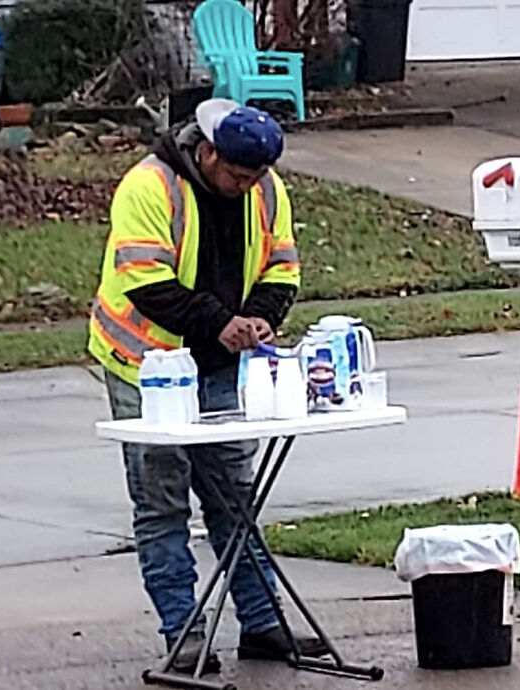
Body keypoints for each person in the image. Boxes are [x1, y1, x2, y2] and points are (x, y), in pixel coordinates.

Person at [88, 99, 324, 675]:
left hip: (219, 361)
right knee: (162, 502)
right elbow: (146, 284)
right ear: (208, 152)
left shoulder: (266, 189)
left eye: (255, 178)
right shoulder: (149, 186)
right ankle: (183, 632)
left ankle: (263, 623)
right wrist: (220, 322)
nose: (246, 187)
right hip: (145, 363)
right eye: (237, 176)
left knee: (233, 498)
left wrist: (264, 315)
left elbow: (282, 266)